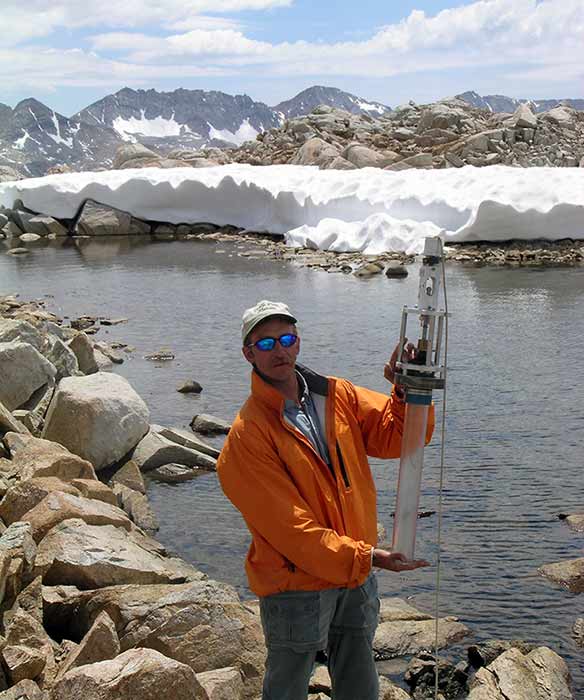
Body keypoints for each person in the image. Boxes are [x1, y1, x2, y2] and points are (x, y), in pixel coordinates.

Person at [217, 300, 434, 700]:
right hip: (296, 583)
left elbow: (399, 437)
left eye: (286, 339)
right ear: (248, 353)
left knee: (358, 671)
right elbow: (290, 528)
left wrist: (407, 390)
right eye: (265, 344)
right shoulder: (246, 436)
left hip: (355, 573)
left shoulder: (337, 394)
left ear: (298, 342)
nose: (279, 350)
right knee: (287, 682)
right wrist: (367, 557)